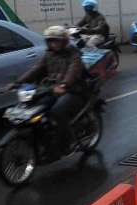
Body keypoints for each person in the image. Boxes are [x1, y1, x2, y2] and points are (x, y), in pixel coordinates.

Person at [12, 26, 89, 154]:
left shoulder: (74, 54)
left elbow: (73, 71)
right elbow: (36, 69)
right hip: (52, 89)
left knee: (57, 111)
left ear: (64, 41)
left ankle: (69, 140)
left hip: (73, 90)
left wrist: (64, 85)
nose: (53, 44)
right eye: (50, 41)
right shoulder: (49, 54)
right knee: (35, 107)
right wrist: (18, 82)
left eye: (56, 40)